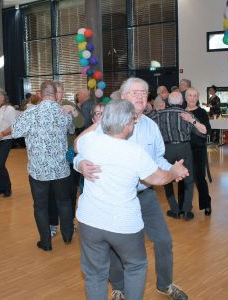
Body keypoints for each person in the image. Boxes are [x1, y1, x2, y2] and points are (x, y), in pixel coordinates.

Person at [75, 78, 189, 300]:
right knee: (117, 250)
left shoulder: (151, 126)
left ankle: (164, 284)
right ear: (123, 96)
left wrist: (174, 170)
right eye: (134, 92)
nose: (139, 96)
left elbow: (158, 160)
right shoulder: (104, 127)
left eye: (144, 93)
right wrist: (79, 164)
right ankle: (119, 287)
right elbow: (80, 150)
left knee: (163, 240)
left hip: (144, 194)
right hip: (117, 202)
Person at [11, 80, 75, 251]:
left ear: (40, 94)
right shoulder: (63, 113)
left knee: (40, 206)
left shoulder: (30, 114)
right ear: (55, 94)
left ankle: (46, 242)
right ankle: (68, 236)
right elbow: (71, 130)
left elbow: (15, 132)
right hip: (61, 169)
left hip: (38, 170)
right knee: (64, 202)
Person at [153, 91, 206, 220]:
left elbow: (146, 123)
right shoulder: (187, 114)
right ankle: (187, 211)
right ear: (182, 102)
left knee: (168, 179)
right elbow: (202, 133)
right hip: (185, 148)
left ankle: (175, 210)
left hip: (167, 149)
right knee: (188, 179)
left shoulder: (159, 115)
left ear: (168, 102)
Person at [48, 81, 85, 237]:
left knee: (70, 191)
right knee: (51, 192)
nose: (59, 95)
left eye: (61, 92)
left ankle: (69, 222)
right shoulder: (46, 107)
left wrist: (73, 112)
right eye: (56, 92)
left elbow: (81, 123)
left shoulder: (68, 104)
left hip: (68, 156)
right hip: (51, 157)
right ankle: (52, 223)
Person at [183, 87, 212, 216]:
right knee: (183, 178)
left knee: (199, 178)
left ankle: (206, 204)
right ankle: (184, 206)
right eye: (190, 95)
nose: (192, 98)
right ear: (185, 97)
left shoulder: (201, 112)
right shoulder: (180, 111)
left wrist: (191, 120)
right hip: (183, 149)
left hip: (198, 149)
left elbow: (205, 130)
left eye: (195, 96)